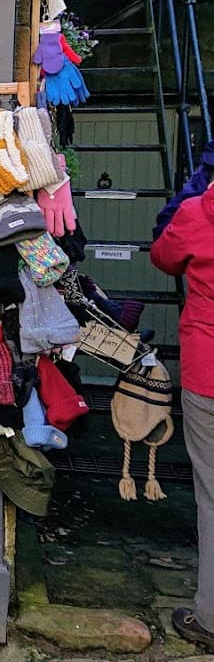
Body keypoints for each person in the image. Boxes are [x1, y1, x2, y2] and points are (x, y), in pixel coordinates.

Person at [152, 182, 214, 650]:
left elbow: (163, 256)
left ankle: (210, 616)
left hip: (207, 369)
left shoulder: (198, 212)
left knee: (212, 495)